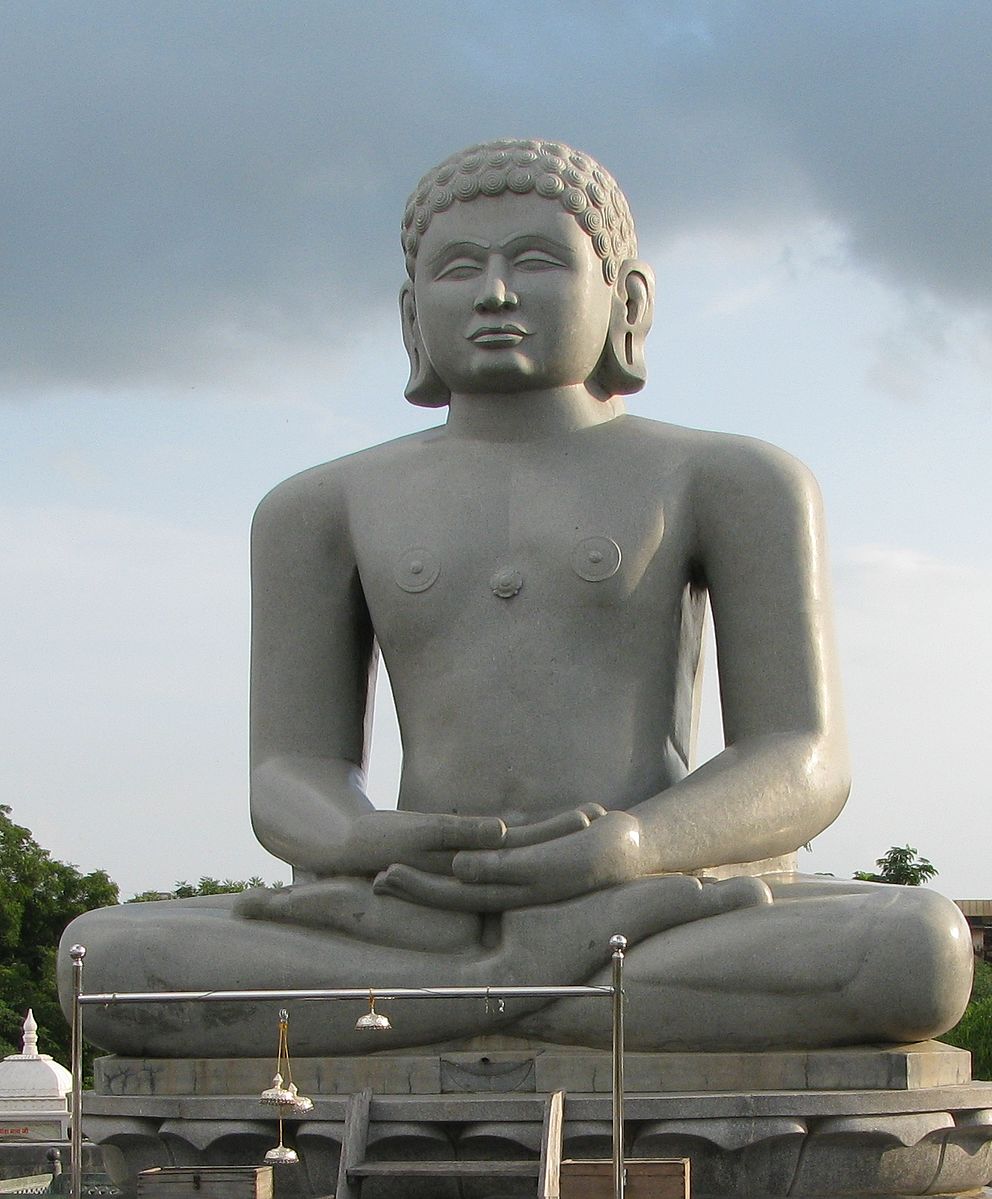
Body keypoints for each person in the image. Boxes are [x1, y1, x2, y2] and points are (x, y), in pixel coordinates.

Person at [60, 140, 972, 1058]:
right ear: (413, 314)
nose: (495, 294)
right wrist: (369, 839)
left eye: (535, 260)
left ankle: (432, 1006)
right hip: (413, 904)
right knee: (100, 959)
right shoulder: (317, 506)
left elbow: (802, 755)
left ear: (629, 297)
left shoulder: (730, 478)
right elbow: (286, 773)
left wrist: (631, 846)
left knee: (916, 951)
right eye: (460, 269)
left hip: (651, 900)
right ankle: (529, 987)